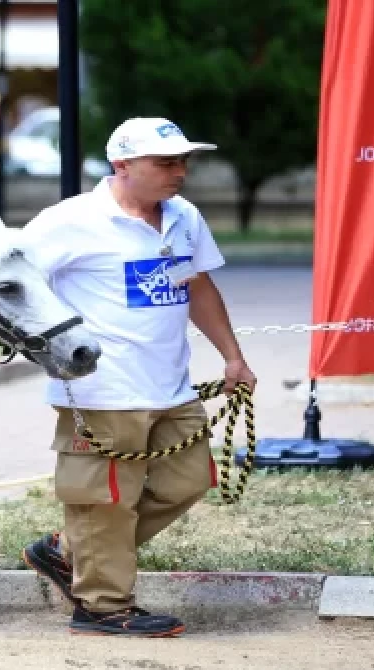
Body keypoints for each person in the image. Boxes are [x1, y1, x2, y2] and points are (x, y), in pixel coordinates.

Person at [19, 117, 257, 637]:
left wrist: (233, 358)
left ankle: (65, 552)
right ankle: (103, 606)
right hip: (100, 389)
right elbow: (10, 281)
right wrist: (47, 348)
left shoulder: (184, 217)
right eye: (166, 162)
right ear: (122, 165)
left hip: (170, 386)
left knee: (189, 482)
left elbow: (198, 287)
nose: (180, 172)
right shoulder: (69, 221)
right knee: (105, 503)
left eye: (183, 161)